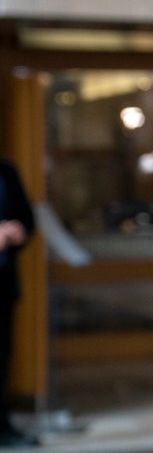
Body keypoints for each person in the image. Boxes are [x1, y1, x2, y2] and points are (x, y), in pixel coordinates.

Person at [0, 158, 37, 448]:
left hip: (3, 282)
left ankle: (3, 427)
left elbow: (26, 216)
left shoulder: (7, 170)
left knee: (1, 358)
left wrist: (20, 230)